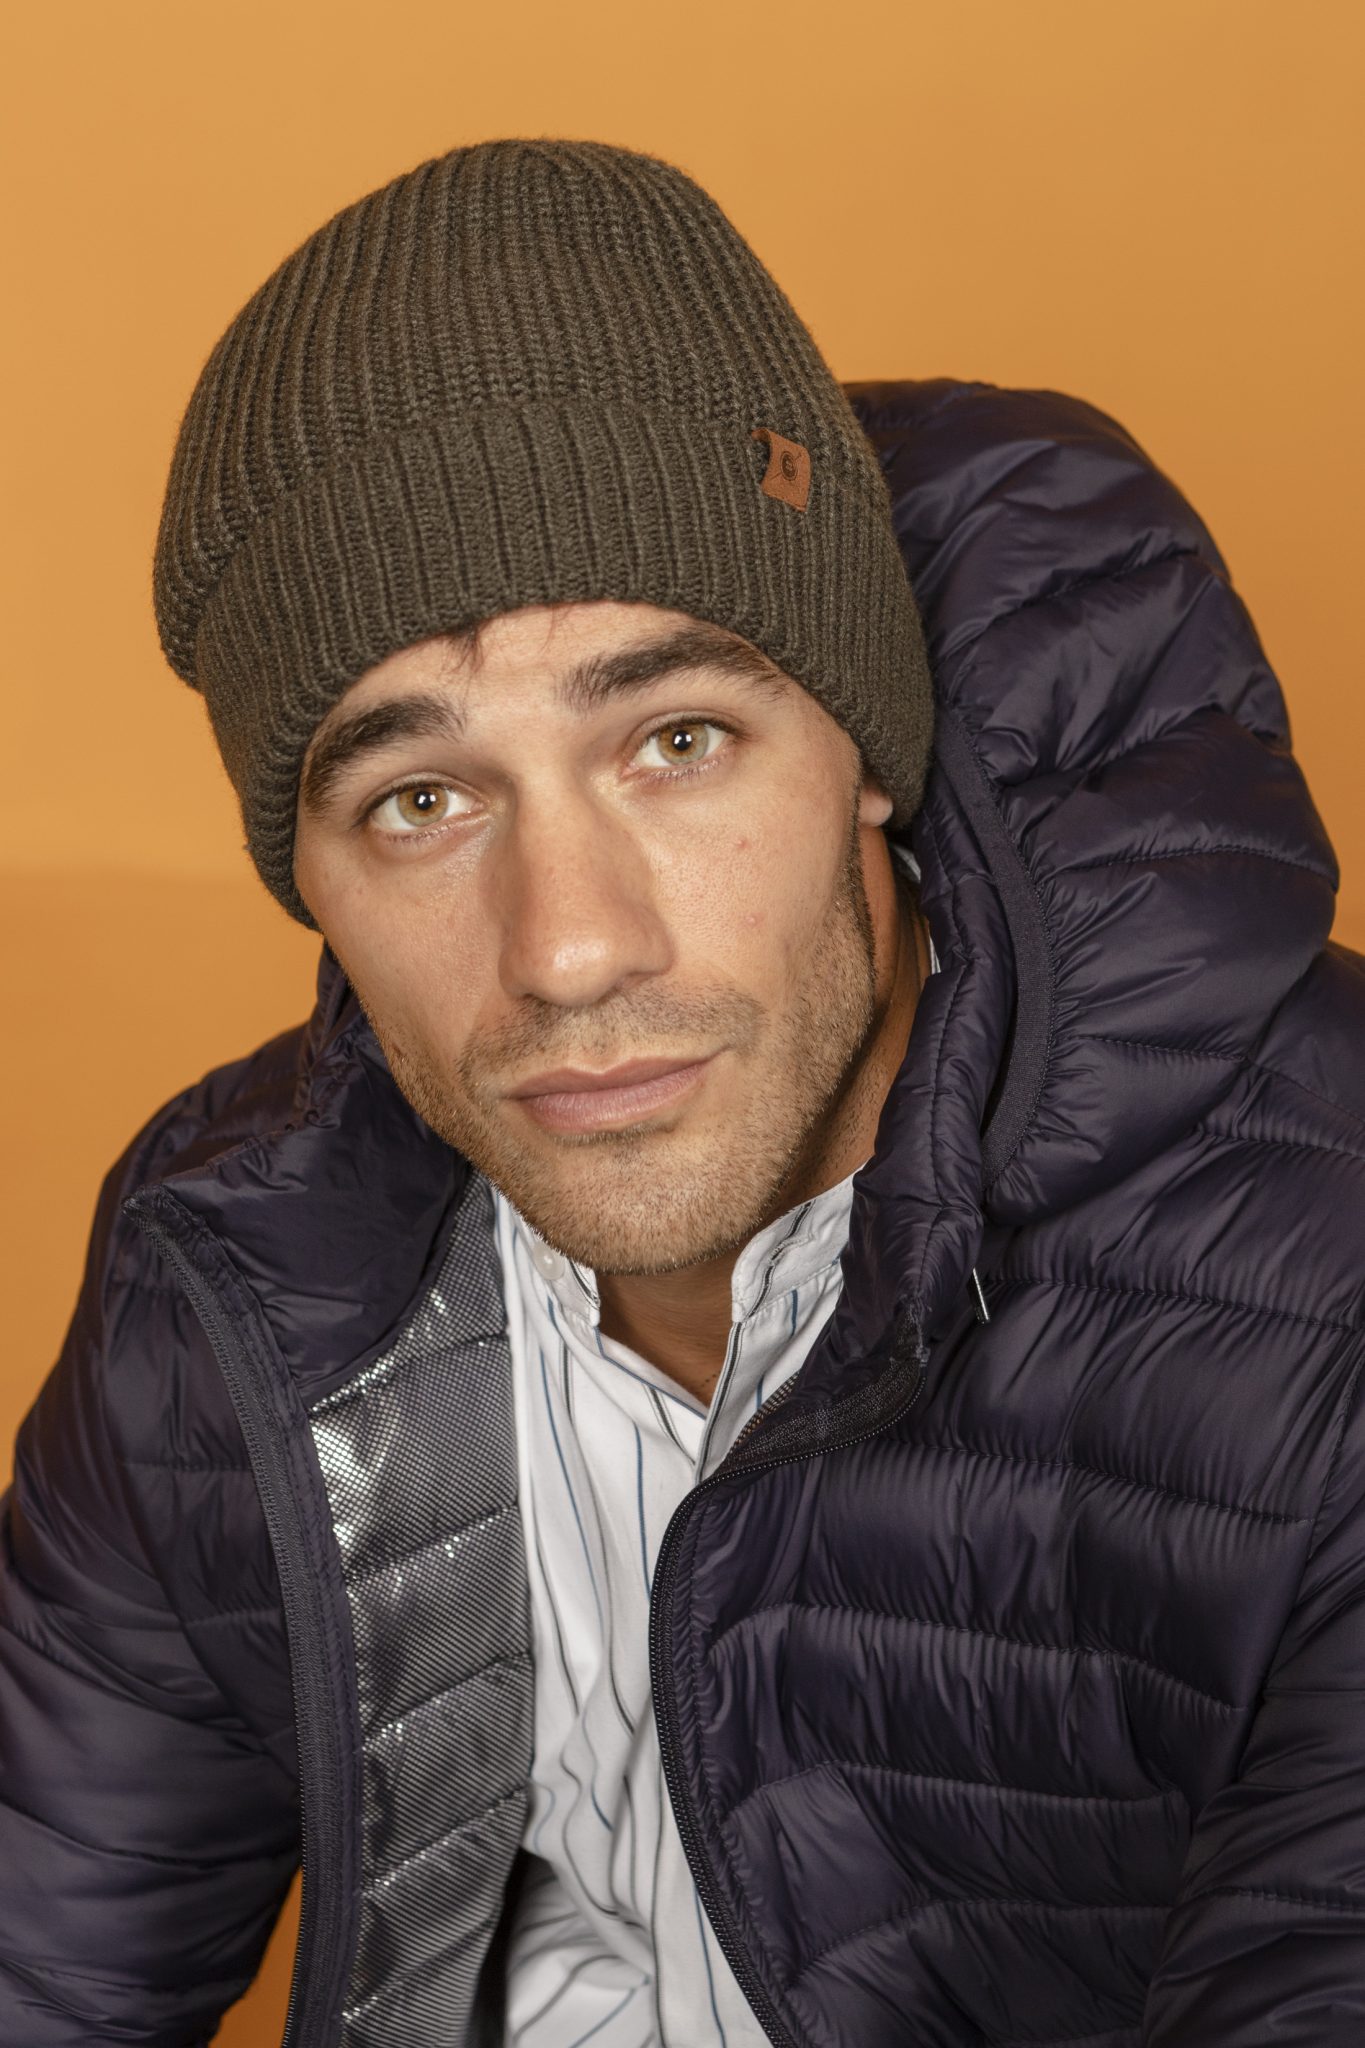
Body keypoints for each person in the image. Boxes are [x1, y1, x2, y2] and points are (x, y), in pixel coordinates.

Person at [2, 136, 1362, 2048]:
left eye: (677, 740)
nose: (569, 948)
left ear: (865, 751)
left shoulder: (1325, 1299)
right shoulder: (231, 1277)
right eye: (420, 799)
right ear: (307, 879)